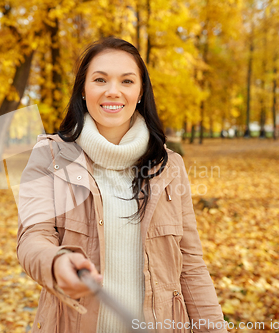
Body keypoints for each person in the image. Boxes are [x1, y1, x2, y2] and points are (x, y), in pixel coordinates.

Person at [16, 37, 228, 333]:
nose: (113, 91)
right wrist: (56, 262)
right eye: (100, 79)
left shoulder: (170, 165)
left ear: (140, 92)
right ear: (83, 89)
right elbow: (32, 238)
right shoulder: (49, 156)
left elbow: (190, 264)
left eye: (127, 81)